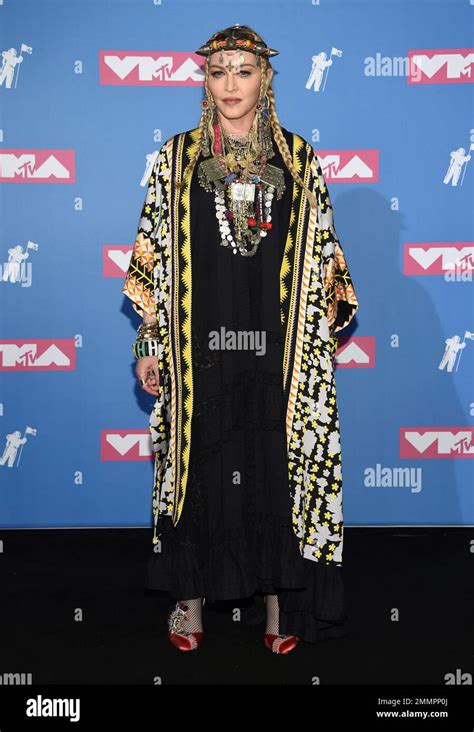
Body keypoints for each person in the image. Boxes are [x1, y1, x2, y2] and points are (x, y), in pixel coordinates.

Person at [122, 24, 359, 654]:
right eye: (219, 71)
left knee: (270, 462)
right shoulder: (175, 159)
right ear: (206, 79)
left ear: (266, 79)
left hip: (273, 348)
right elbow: (156, 262)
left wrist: (312, 348)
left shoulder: (300, 160)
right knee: (198, 463)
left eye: (243, 71)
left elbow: (322, 258)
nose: (230, 84)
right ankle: (189, 597)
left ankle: (281, 598)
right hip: (197, 353)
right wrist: (149, 339)